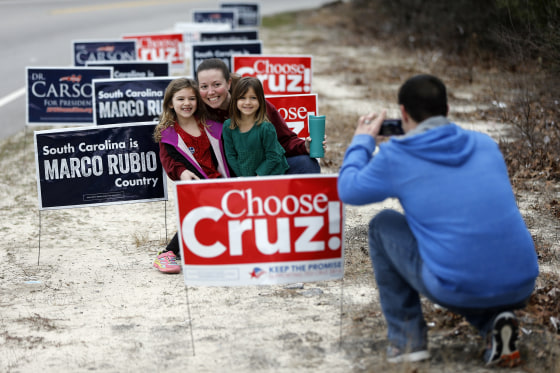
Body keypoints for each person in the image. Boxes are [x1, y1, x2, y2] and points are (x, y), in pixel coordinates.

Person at [337, 74, 539, 366]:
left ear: (403, 114)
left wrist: (362, 142)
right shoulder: (484, 144)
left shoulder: (397, 155)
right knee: (464, 253)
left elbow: (348, 189)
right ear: (446, 111)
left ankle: (407, 342)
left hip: (457, 285)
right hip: (522, 281)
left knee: (383, 224)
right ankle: (494, 325)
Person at [152, 78, 230, 274]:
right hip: (195, 184)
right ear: (170, 103)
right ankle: (168, 253)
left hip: (222, 180)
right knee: (205, 209)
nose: (186, 103)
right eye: (180, 99)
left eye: (192, 98)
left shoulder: (211, 125)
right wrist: (182, 172)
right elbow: (169, 162)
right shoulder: (168, 133)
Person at [195, 58, 321, 175]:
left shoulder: (256, 106)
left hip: (265, 168)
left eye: (217, 85)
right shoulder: (197, 112)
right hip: (230, 173)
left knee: (306, 163)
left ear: (228, 83)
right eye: (204, 86)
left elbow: (283, 141)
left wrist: (304, 146)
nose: (211, 92)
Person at [222, 76, 289, 176]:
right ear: (235, 100)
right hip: (245, 174)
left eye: (253, 98)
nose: (247, 102)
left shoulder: (266, 128)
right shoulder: (228, 126)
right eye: (242, 98)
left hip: (271, 173)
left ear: (260, 100)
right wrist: (242, 176)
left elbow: (273, 156)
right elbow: (230, 155)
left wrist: (259, 176)